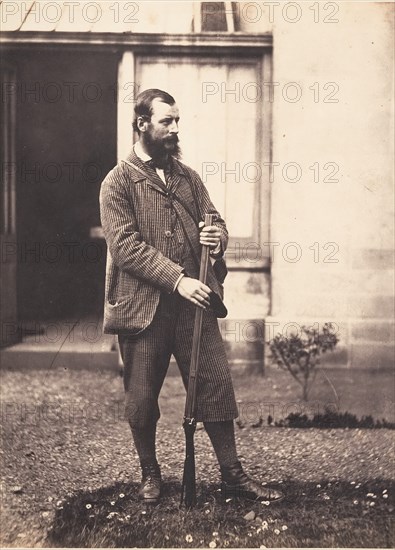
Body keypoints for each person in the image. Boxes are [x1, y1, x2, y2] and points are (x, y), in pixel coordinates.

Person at [99, 88, 284, 505]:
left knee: (216, 385)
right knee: (142, 398)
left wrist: (216, 238)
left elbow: (215, 218)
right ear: (142, 123)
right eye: (167, 121)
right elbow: (125, 248)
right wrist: (179, 279)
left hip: (193, 307)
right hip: (142, 310)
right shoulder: (117, 182)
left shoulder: (186, 176)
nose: (175, 128)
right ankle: (150, 475)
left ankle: (233, 475)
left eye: (177, 120)